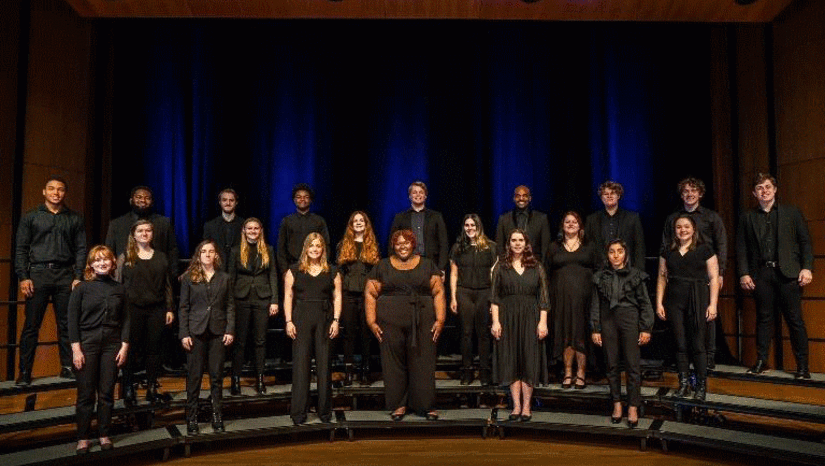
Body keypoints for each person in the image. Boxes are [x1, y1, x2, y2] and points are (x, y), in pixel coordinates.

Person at [737, 173, 814, 379]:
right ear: (754, 193)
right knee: (763, 319)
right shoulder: (747, 217)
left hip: (789, 274)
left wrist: (807, 268)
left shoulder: (792, 213)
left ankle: (802, 366)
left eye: (768, 186)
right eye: (760, 188)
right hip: (761, 274)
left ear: (775, 189)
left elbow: (805, 242)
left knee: (795, 320)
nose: (765, 190)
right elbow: (742, 248)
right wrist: (744, 273)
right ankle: (762, 361)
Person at [365, 229, 446, 421]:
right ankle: (398, 405)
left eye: (406, 243)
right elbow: (370, 292)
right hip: (390, 322)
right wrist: (371, 321)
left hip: (423, 320)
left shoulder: (427, 264)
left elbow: (439, 292)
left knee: (423, 362)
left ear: (413, 244)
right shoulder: (382, 266)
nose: (403, 246)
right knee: (393, 363)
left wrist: (440, 320)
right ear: (393, 246)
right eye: (398, 243)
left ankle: (425, 406)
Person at [15, 176, 87, 384]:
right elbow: (21, 249)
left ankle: (67, 367)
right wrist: (23, 276)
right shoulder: (31, 217)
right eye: (52, 189)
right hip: (37, 274)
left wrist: (78, 276)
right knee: (31, 325)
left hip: (65, 275)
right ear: (44, 192)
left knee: (66, 324)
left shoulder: (75, 218)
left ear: (65, 193)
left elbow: (81, 249)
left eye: (60, 189)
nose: (56, 193)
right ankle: (25, 372)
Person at [660, 177, 727, 369]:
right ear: (681, 195)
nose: (690, 194)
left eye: (693, 191)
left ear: (700, 194)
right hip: (680, 273)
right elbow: (665, 245)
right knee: (679, 317)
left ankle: (709, 356)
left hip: (704, 272)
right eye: (686, 192)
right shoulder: (673, 218)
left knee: (707, 315)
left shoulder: (712, 217)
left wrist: (720, 272)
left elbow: (721, 244)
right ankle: (682, 356)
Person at [69, 246, 129, 454]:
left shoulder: (119, 289)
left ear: (113, 263)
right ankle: (83, 438)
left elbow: (126, 319)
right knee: (86, 394)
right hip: (87, 344)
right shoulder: (82, 289)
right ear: (91, 265)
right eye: (98, 260)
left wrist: (124, 346)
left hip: (112, 344)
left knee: (106, 394)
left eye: (106, 260)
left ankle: (104, 434)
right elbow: (71, 321)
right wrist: (76, 349)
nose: (102, 263)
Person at [591, 239, 654, 427]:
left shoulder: (635, 275)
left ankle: (633, 406)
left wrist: (646, 327)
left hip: (630, 320)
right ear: (607, 255)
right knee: (611, 365)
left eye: (620, 251)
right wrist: (595, 328)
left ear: (625, 254)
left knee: (632, 366)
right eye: (612, 252)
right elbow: (596, 305)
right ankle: (617, 404)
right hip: (608, 321)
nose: (616, 255)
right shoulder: (600, 277)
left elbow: (644, 303)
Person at [656, 215, 720, 400]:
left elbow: (714, 278)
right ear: (674, 230)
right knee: (680, 344)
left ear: (693, 229)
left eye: (686, 226)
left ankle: (701, 386)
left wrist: (713, 304)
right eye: (678, 227)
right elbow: (662, 277)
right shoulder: (667, 251)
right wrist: (659, 302)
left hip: (697, 297)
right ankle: (683, 383)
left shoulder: (705, 249)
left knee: (698, 345)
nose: (682, 230)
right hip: (674, 299)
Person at [491, 229, 550, 422]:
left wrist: (543, 322)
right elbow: (495, 297)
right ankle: (516, 406)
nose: (517, 243)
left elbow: (543, 298)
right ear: (509, 243)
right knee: (511, 360)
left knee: (528, 360)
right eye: (513, 240)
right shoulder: (502, 266)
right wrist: (496, 321)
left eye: (521, 240)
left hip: (530, 318)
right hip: (507, 318)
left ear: (526, 243)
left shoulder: (537, 266)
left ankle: (527, 406)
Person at [283, 233, 342, 425]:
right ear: (305, 249)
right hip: (301, 318)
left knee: (324, 366)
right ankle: (299, 413)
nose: (315, 249)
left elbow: (337, 297)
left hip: (324, 319)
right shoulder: (294, 270)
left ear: (323, 249)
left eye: (318, 246)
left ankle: (325, 412)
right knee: (301, 367)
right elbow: (288, 297)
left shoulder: (332, 271)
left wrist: (335, 320)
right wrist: (288, 321)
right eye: (311, 246)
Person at [115, 219, 174, 404]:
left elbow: (167, 285)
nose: (144, 234)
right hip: (132, 309)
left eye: (148, 230)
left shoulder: (161, 256)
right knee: (130, 350)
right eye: (140, 231)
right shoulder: (125, 257)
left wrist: (169, 308)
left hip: (156, 309)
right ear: (133, 234)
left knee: (153, 351)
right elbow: (117, 285)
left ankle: (151, 388)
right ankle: (128, 389)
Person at [179, 240, 235, 435]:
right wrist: (184, 333)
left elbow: (229, 305)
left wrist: (230, 329)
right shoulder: (189, 278)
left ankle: (217, 415)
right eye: (204, 251)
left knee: (216, 376)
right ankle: (192, 417)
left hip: (218, 331)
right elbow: (183, 307)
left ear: (216, 255)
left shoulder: (224, 278)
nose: (208, 254)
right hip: (196, 331)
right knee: (194, 377)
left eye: (211, 251)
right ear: (198, 255)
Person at [227, 218, 278, 395]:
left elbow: (273, 275)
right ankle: (235, 380)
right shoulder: (235, 251)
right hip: (241, 299)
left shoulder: (269, 249)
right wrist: (230, 302)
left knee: (260, 341)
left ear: (260, 230)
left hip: (262, 299)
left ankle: (260, 379)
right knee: (240, 342)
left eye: (256, 228)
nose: (253, 231)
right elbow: (231, 278)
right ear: (244, 230)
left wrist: (274, 301)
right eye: (250, 228)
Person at [546, 211, 596, 390]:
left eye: (574, 221)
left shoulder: (590, 246)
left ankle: (581, 373)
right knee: (566, 334)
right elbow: (546, 273)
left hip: (585, 299)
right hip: (560, 299)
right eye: (567, 221)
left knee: (580, 334)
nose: (571, 224)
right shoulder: (554, 247)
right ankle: (568, 372)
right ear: (562, 226)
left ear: (580, 225)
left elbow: (598, 271)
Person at [449, 214, 497, 386]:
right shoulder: (457, 248)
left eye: (473, 225)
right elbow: (453, 274)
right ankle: (467, 371)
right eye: (467, 225)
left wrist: (493, 300)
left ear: (479, 226)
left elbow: (494, 275)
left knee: (483, 334)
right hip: (465, 292)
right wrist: (453, 297)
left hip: (484, 292)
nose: (470, 228)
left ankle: (484, 372)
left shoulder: (491, 247)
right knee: (467, 333)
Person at [336, 211, 381, 386]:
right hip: (348, 294)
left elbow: (377, 272)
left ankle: (365, 370)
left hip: (367, 295)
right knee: (348, 334)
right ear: (351, 225)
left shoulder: (373, 245)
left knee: (365, 333)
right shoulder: (344, 245)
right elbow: (339, 271)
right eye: (355, 221)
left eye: (362, 220)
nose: (359, 223)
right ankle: (348, 371)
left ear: (366, 223)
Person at [105, 186, 179, 280]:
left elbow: (172, 250)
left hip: (157, 276)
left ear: (152, 202)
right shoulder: (117, 224)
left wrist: (173, 274)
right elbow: (109, 250)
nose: (143, 200)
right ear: (131, 200)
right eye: (138, 197)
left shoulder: (164, 223)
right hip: (125, 276)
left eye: (147, 198)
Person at [389, 181, 450, 276]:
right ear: (409, 196)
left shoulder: (436, 216)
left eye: (421, 192)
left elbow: (443, 243)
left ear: (425, 195)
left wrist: (441, 268)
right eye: (414, 192)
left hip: (431, 264)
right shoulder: (400, 218)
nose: (418, 195)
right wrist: (393, 265)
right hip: (406, 263)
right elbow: (392, 243)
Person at [585, 181, 646, 270]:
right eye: (606, 194)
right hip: (600, 272)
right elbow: (588, 247)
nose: (609, 196)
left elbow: (639, 247)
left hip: (628, 271)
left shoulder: (632, 218)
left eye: (612, 193)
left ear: (618, 196)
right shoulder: (591, 220)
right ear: (601, 198)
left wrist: (639, 271)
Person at [277, 183, 331, 277]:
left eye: (306, 197)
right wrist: (284, 270)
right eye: (299, 197)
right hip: (292, 267)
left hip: (315, 267)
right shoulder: (287, 221)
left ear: (310, 200)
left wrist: (323, 266)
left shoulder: (319, 221)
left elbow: (326, 245)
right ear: (294, 200)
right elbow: (281, 247)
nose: (302, 199)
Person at [494, 185, 552, 261]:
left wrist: (542, 268)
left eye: (524, 196)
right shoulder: (504, 219)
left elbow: (545, 247)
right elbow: (500, 246)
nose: (521, 198)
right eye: (518, 196)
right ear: (514, 198)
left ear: (530, 198)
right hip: (510, 266)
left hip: (534, 265)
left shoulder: (541, 218)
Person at [203, 188, 245, 270]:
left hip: (239, 270)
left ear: (236, 203)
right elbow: (205, 249)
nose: (228, 203)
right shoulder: (209, 225)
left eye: (231, 200)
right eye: (224, 200)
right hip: (217, 270)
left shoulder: (244, 225)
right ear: (220, 202)